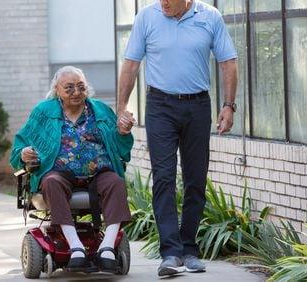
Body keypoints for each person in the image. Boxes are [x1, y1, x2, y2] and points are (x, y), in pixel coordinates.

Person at [117, 0, 238, 277]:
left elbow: (228, 62)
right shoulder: (146, 17)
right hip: (160, 105)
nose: (163, 3)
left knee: (196, 178)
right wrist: (122, 107)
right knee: (163, 177)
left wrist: (229, 105)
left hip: (197, 106)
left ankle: (190, 248)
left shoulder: (210, 17)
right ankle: (170, 252)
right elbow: (131, 64)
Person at [10, 66, 136, 272]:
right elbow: (19, 146)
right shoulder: (44, 112)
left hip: (99, 172)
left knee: (115, 182)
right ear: (57, 90)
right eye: (68, 88)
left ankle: (106, 248)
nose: (76, 92)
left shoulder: (101, 110)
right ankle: (75, 247)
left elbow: (122, 149)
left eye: (80, 86)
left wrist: (123, 133)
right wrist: (23, 153)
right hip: (59, 173)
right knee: (51, 181)